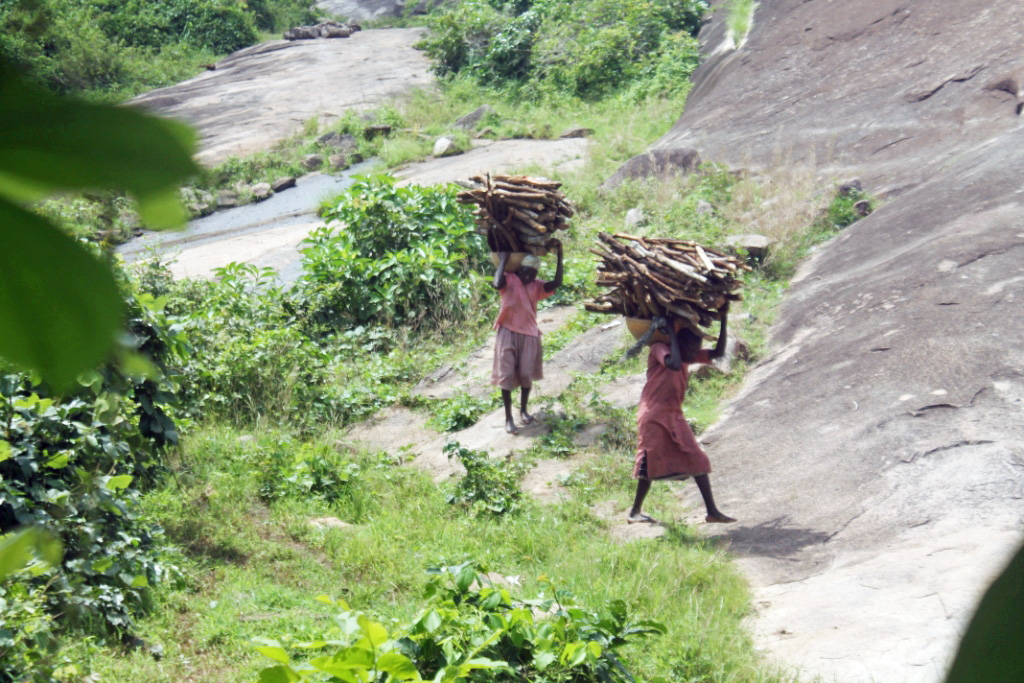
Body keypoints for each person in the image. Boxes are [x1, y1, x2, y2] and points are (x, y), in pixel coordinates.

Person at [628, 303, 736, 524]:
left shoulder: (685, 354)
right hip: (653, 415)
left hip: (673, 414)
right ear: (679, 341)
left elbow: (718, 353)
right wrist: (671, 334)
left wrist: (724, 320)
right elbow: (674, 364)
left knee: (697, 459)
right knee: (649, 462)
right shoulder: (659, 348)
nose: (695, 350)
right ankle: (635, 512)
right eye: (693, 345)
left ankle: (712, 512)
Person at [490, 242, 564, 434]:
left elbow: (557, 283)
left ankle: (523, 409)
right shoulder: (509, 279)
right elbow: (496, 284)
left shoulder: (536, 286)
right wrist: (503, 260)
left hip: (529, 334)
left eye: (532, 274)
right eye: (525, 273)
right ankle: (508, 418)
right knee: (506, 376)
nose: (528, 277)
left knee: (525, 374)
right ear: (519, 270)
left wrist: (560, 256)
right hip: (507, 331)